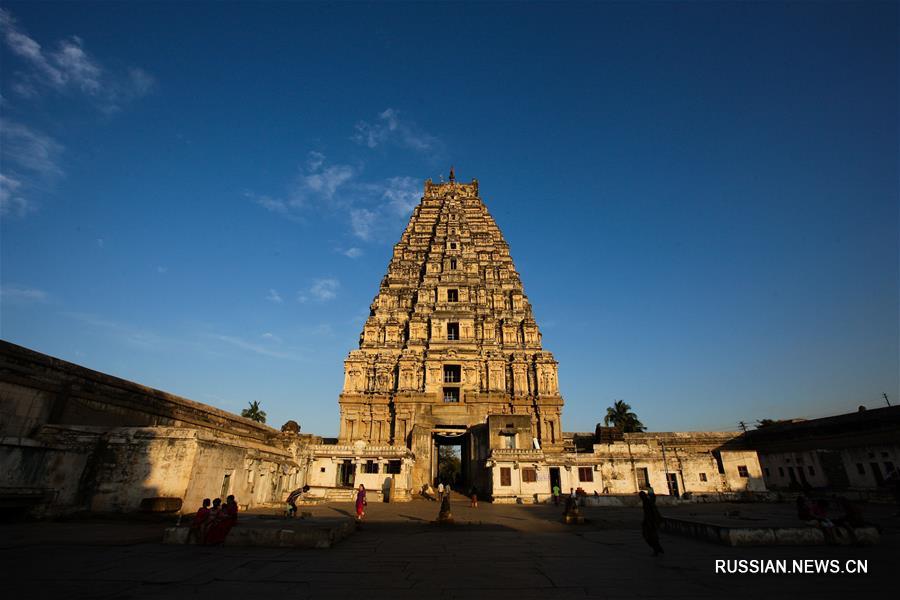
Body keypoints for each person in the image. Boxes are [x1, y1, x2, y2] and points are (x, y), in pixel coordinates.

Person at [639, 490, 664, 556]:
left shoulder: (648, 502)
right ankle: (658, 548)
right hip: (649, 521)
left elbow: (652, 512)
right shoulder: (646, 501)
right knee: (650, 536)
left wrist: (651, 522)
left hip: (651, 522)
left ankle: (657, 549)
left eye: (641, 496)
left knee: (650, 536)